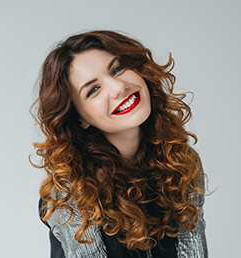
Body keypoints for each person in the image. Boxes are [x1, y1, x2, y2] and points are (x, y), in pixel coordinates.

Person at [31, 30, 208, 258]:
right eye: (93, 90)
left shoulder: (181, 159)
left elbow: (193, 251)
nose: (118, 87)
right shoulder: (70, 190)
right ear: (80, 119)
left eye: (117, 69)